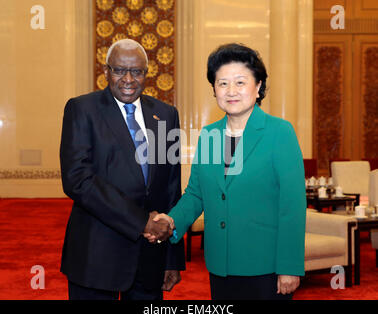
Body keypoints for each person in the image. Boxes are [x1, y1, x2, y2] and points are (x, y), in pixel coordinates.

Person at [148, 43, 306, 300]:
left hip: (266, 268)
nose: (231, 91)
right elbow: (196, 195)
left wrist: (289, 266)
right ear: (214, 90)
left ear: (258, 87)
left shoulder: (280, 132)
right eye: (222, 83)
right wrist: (171, 221)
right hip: (221, 265)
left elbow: (292, 206)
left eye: (240, 82)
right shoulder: (210, 135)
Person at [59, 39, 185, 300]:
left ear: (146, 74)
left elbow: (170, 187)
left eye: (137, 71)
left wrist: (172, 258)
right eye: (119, 70)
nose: (128, 79)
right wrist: (141, 221)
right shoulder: (82, 109)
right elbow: (78, 180)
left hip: (150, 256)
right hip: (95, 256)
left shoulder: (166, 114)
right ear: (106, 72)